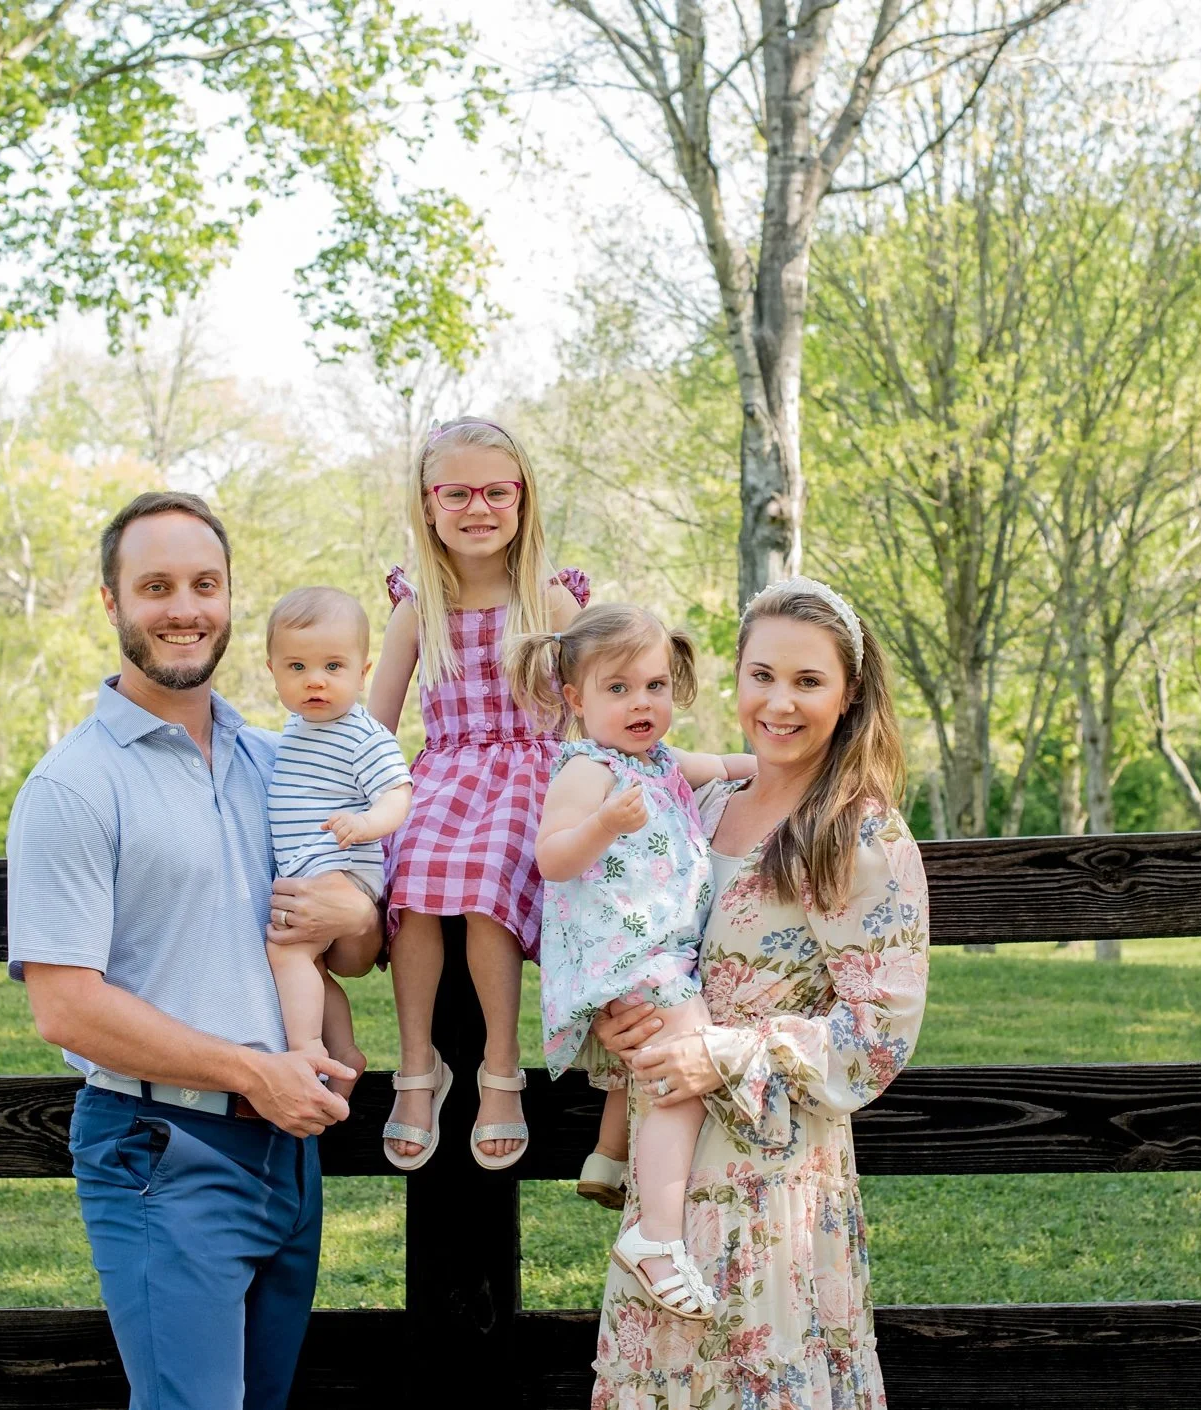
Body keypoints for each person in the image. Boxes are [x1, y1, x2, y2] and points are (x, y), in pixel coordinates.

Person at [6, 491, 381, 1410]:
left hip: (287, 1148)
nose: (185, 608)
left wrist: (355, 910)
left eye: (205, 585)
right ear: (112, 602)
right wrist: (255, 1073)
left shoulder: (276, 762)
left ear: (229, 598)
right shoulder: (73, 786)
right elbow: (66, 1007)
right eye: (156, 587)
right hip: (162, 1149)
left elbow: (351, 954)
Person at [585, 578, 930, 1410]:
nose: (779, 703)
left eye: (808, 681)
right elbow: (624, 933)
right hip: (665, 1184)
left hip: (775, 1178)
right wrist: (615, 1021)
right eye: (762, 675)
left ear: (848, 695)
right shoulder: (695, 806)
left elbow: (879, 1032)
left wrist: (726, 1053)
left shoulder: (856, 832)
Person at [508, 603, 755, 1322]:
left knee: (658, 1062)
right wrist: (603, 823)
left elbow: (734, 766)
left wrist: (797, 768)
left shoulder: (665, 762)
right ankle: (657, 1235)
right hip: (624, 953)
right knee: (684, 1070)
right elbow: (553, 858)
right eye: (617, 689)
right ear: (576, 699)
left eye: (654, 686)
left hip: (659, 949)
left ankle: (609, 1157)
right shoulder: (587, 770)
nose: (641, 703)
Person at [368, 417, 587, 1172]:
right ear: (428, 505)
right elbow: (374, 728)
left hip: (535, 774)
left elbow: (599, 710)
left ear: (523, 499)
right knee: (413, 873)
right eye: (456, 493)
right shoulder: (418, 608)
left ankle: (500, 1064)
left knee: (489, 872)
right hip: (443, 774)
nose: (478, 508)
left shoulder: (550, 604)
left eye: (497, 492)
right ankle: (417, 1064)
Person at [263, 586, 413, 1077]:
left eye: (333, 666)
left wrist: (365, 823)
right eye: (297, 667)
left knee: (287, 949)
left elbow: (398, 793)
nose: (315, 680)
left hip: (340, 865)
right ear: (273, 671)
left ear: (361, 673)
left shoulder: (361, 733)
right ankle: (343, 1051)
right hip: (314, 867)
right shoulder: (295, 729)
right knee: (310, 964)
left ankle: (306, 1047)